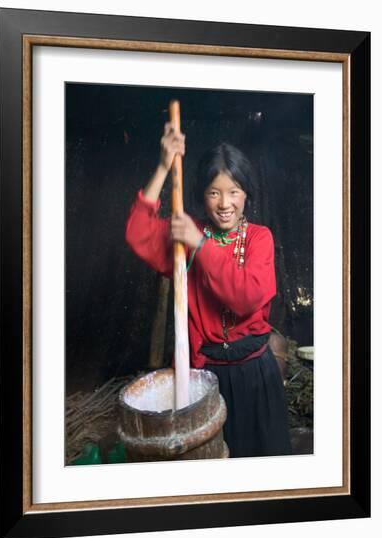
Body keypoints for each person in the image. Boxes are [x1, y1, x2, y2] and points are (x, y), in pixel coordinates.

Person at [125, 122, 292, 458]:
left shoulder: (259, 239)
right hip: (204, 376)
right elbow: (138, 233)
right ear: (203, 195)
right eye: (214, 192)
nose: (224, 203)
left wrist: (199, 244)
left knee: (261, 471)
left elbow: (246, 298)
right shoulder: (190, 231)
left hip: (254, 377)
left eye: (234, 191)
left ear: (247, 194)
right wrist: (162, 165)